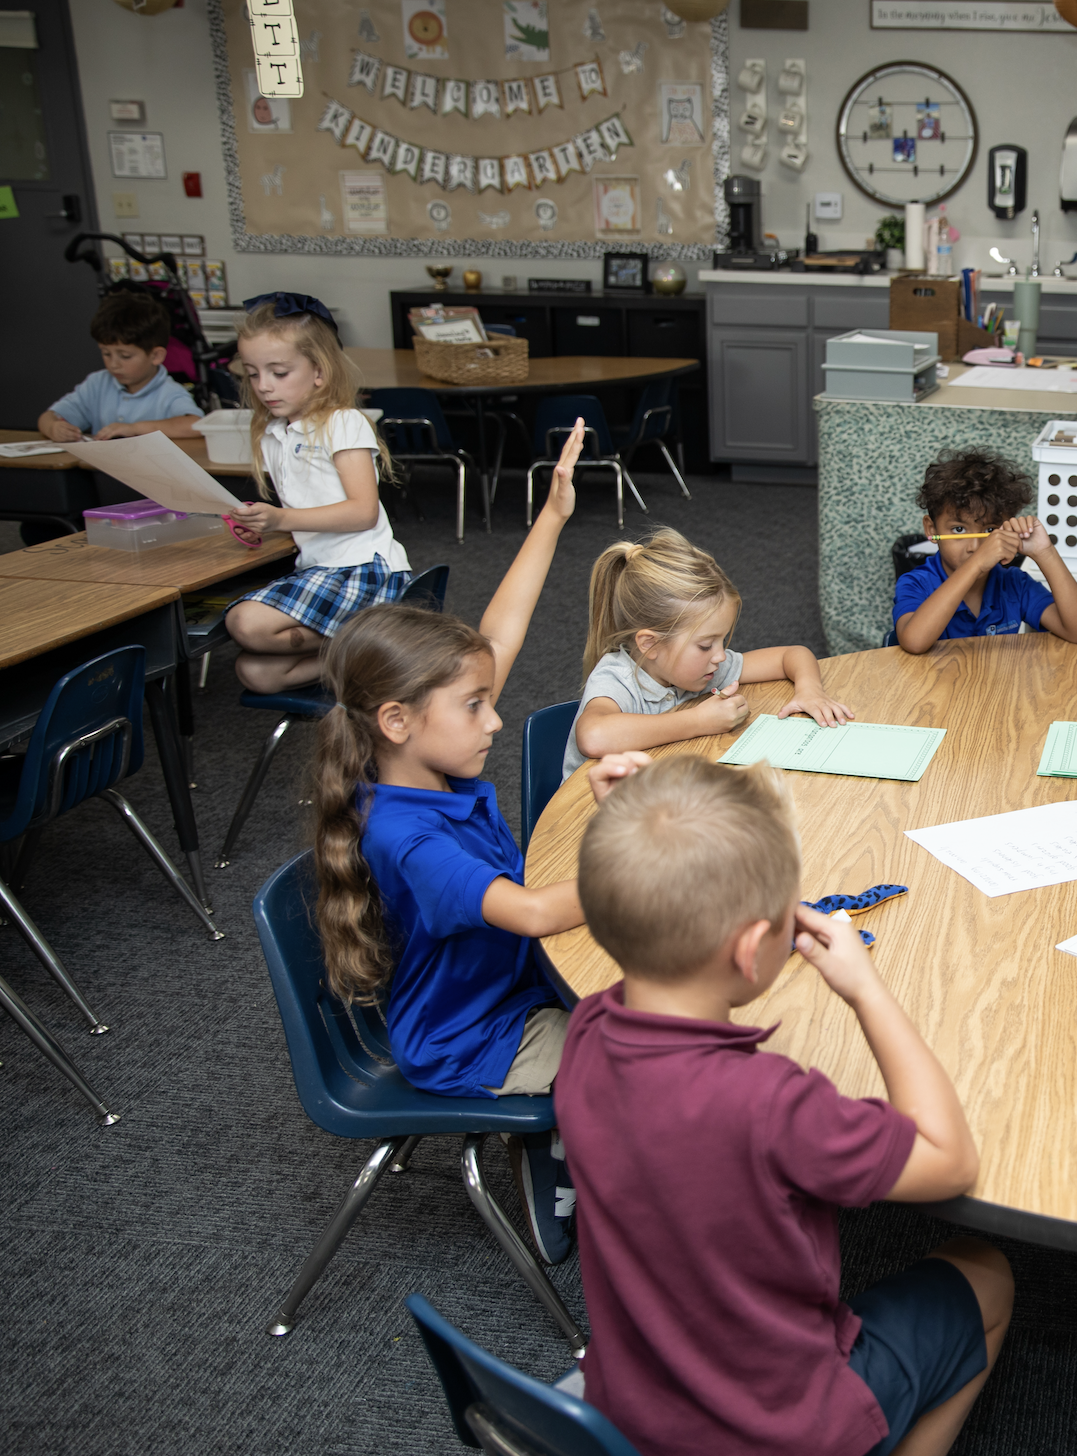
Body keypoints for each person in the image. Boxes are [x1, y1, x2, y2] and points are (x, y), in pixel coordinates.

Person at [557, 754, 1014, 1456]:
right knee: (988, 1274)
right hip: (783, 1430)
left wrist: (635, 838)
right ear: (751, 951)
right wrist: (866, 988)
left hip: (633, 1405)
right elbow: (949, 1161)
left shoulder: (586, 1032)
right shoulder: (769, 1104)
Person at [309, 430, 650, 1264]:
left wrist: (553, 516)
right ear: (398, 721)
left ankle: (562, 1136)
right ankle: (555, 1156)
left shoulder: (421, 768)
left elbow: (498, 634)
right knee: (659, 1059)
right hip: (474, 1038)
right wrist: (646, 865)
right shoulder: (408, 836)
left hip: (508, 990)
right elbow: (531, 912)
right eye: (476, 707)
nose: (495, 719)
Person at [221, 293, 412, 693]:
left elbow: (363, 512)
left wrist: (280, 518)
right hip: (318, 568)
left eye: (279, 372)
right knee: (255, 673)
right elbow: (309, 510)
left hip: (361, 569)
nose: (263, 386)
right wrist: (263, 523)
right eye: (253, 374)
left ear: (320, 372)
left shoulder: (343, 422)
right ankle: (367, 653)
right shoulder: (274, 433)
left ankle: (373, 639)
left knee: (245, 623)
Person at [564, 527, 854, 780]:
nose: (720, 656)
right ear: (650, 645)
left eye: (721, 641)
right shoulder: (617, 678)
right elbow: (594, 736)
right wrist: (699, 721)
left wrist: (810, 690)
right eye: (705, 645)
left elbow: (792, 654)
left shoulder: (704, 668)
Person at [893, 449, 1077, 653]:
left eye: (990, 530)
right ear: (931, 529)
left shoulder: (1015, 584)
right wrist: (977, 563)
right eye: (959, 529)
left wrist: (1045, 552)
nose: (975, 547)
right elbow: (914, 642)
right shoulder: (915, 583)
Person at [35, 291, 205, 443]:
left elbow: (195, 425)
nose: (113, 364)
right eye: (106, 353)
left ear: (156, 356)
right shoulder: (97, 384)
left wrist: (134, 429)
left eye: (125, 356)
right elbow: (48, 417)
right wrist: (53, 428)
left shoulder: (169, 393)